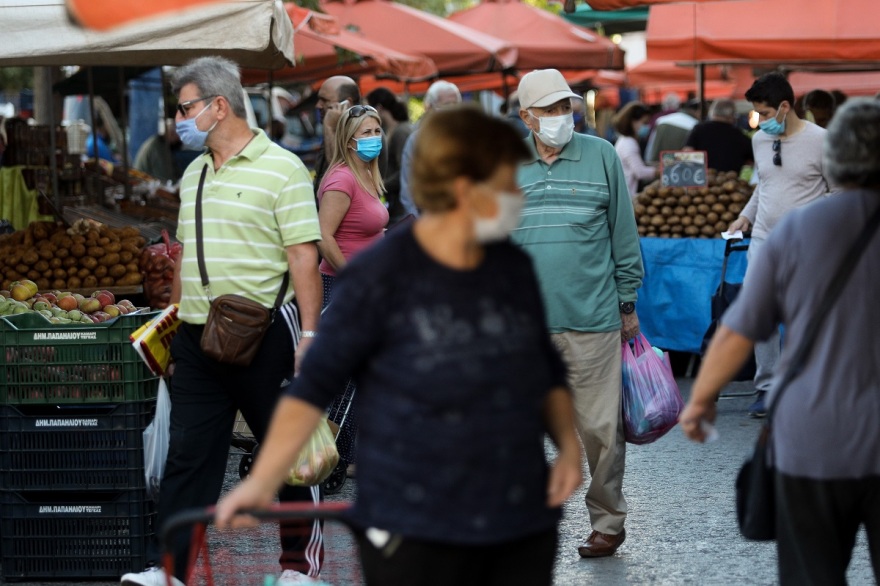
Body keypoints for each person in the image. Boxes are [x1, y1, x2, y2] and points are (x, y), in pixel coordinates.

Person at [215, 106, 583, 585]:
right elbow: (312, 388)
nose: (516, 193)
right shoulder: (375, 277)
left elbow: (542, 368)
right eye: (504, 181)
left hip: (516, 517)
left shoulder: (511, 268)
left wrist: (568, 448)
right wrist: (263, 482)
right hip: (411, 521)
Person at [120, 56, 323, 586]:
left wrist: (309, 335)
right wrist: (171, 325)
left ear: (218, 106)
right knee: (188, 459)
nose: (178, 120)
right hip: (196, 337)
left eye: (184, 108)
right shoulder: (194, 172)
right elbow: (186, 257)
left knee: (287, 457)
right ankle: (170, 570)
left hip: (265, 334)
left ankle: (300, 569)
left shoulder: (283, 168)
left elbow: (303, 257)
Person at [680, 97, 880, 586]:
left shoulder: (796, 231)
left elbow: (739, 330)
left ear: (835, 158)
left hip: (811, 440)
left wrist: (701, 399)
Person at [511, 69, 644, 559]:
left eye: (564, 107)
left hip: (593, 317)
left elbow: (623, 234)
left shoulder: (602, 155)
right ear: (526, 117)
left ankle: (608, 522)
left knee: (602, 431)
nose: (560, 117)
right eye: (548, 110)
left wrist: (627, 302)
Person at [726, 72, 833, 418]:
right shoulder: (760, 141)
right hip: (763, 239)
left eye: (765, 113)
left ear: (785, 106)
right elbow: (765, 186)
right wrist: (745, 217)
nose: (760, 121)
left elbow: (839, 192)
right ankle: (767, 387)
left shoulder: (822, 141)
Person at [398, 80, 462, 217]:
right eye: (446, 105)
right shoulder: (417, 140)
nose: (452, 110)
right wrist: (419, 222)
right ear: (429, 108)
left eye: (456, 104)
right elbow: (408, 190)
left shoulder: (469, 137)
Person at [366, 87, 413, 223]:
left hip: (402, 206)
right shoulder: (389, 130)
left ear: (379, 108)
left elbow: (405, 170)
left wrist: (380, 186)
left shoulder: (401, 132)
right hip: (394, 203)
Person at [684, 99, 754, 174]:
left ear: (712, 112)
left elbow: (687, 152)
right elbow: (752, 161)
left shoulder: (699, 129)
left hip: (701, 177)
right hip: (730, 179)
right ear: (732, 115)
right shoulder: (740, 136)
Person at [612, 101, 658, 199]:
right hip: (628, 195)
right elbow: (640, 172)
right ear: (632, 122)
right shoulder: (629, 144)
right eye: (644, 123)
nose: (647, 127)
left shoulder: (625, 140)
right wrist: (659, 171)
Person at [133, 117, 194, 183]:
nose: (180, 140)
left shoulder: (164, 147)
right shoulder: (157, 147)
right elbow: (165, 178)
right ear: (172, 134)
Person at [644, 99, 700, 163]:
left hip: (659, 164)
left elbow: (650, 148)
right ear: (697, 111)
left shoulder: (661, 121)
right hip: (681, 164)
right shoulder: (695, 125)